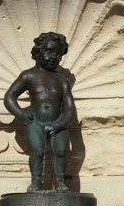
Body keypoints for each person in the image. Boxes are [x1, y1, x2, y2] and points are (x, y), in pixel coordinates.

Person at [4, 32, 76, 192]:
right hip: (35, 122)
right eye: (49, 51)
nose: (54, 57)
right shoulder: (29, 75)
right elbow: (10, 96)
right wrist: (21, 114)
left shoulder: (62, 81)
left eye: (58, 54)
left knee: (62, 151)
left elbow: (70, 109)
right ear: (38, 52)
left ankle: (59, 181)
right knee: (37, 151)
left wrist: (60, 124)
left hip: (58, 122)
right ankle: (36, 181)